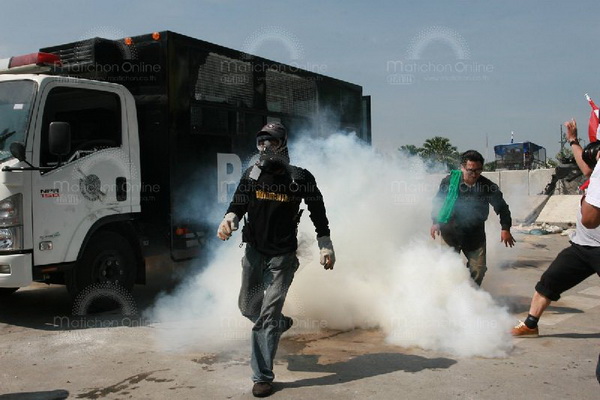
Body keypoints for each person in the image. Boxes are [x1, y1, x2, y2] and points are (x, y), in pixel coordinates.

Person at [217, 122, 335, 398]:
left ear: (283, 144)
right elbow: (238, 204)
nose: (265, 148)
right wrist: (229, 218)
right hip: (254, 252)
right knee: (247, 307)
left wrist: (325, 243)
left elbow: (318, 210)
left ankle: (262, 377)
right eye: (261, 142)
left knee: (266, 316)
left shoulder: (300, 177)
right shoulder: (252, 174)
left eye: (271, 142)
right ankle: (279, 324)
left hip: (283, 256)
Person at [512, 119, 600, 338]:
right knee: (549, 282)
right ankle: (531, 324)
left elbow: (590, 220)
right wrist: (572, 140)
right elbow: (585, 165)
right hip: (581, 246)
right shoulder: (594, 175)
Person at [430, 150, 515, 286]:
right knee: (449, 270)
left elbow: (503, 208)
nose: (474, 174)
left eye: (478, 170)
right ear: (462, 167)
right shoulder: (449, 182)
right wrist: (435, 222)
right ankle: (452, 297)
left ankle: (473, 297)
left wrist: (505, 228)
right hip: (450, 233)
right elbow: (437, 202)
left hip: (475, 236)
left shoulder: (487, 186)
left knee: (478, 270)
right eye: (470, 171)